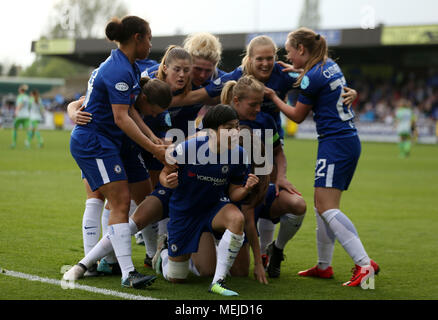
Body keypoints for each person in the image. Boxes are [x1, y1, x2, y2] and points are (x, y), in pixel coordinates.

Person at [264, 27, 380, 287]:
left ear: (302, 50)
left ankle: (364, 264)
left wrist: (273, 96)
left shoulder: (311, 77)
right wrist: (297, 71)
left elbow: (296, 115)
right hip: (346, 140)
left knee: (327, 207)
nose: (289, 56)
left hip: (335, 145)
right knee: (321, 205)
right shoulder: (329, 65)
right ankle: (324, 266)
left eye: (290, 52)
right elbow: (318, 79)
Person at [63, 16, 167, 289]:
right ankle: (126, 271)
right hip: (95, 142)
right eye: (150, 38)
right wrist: (154, 149)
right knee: (118, 201)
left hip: (108, 143)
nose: (151, 44)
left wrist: (153, 139)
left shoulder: (126, 67)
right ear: (138, 38)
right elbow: (121, 118)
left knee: (130, 197)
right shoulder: (119, 70)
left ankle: (105, 264)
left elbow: (131, 110)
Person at [67, 77, 173, 274]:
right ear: (144, 98)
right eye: (152, 110)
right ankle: (97, 262)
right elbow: (79, 102)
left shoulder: (154, 108)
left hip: (128, 152)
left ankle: (149, 255)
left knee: (143, 200)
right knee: (99, 198)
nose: (152, 114)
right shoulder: (121, 90)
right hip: (99, 148)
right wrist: (73, 112)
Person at [156, 104, 259, 296]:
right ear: (211, 131)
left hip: (215, 208)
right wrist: (167, 181)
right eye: (228, 128)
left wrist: (246, 188)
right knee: (176, 277)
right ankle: (163, 253)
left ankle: (217, 282)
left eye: (236, 127)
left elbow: (234, 193)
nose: (235, 132)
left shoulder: (239, 154)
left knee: (237, 219)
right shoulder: (188, 148)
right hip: (186, 211)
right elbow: (164, 174)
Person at [220, 76, 307, 280]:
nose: (258, 109)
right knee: (240, 273)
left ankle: (276, 249)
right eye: (253, 104)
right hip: (235, 198)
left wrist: (282, 177)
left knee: (298, 204)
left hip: (260, 191)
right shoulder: (221, 122)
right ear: (236, 101)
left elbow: (278, 153)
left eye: (260, 103)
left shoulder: (266, 121)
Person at [11, 84, 30, 149]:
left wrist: (16, 112)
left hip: (19, 115)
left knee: (14, 129)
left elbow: (20, 104)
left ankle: (14, 143)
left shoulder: (20, 96)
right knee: (27, 130)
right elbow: (29, 106)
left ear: (20, 90)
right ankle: (28, 143)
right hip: (26, 115)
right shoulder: (27, 97)